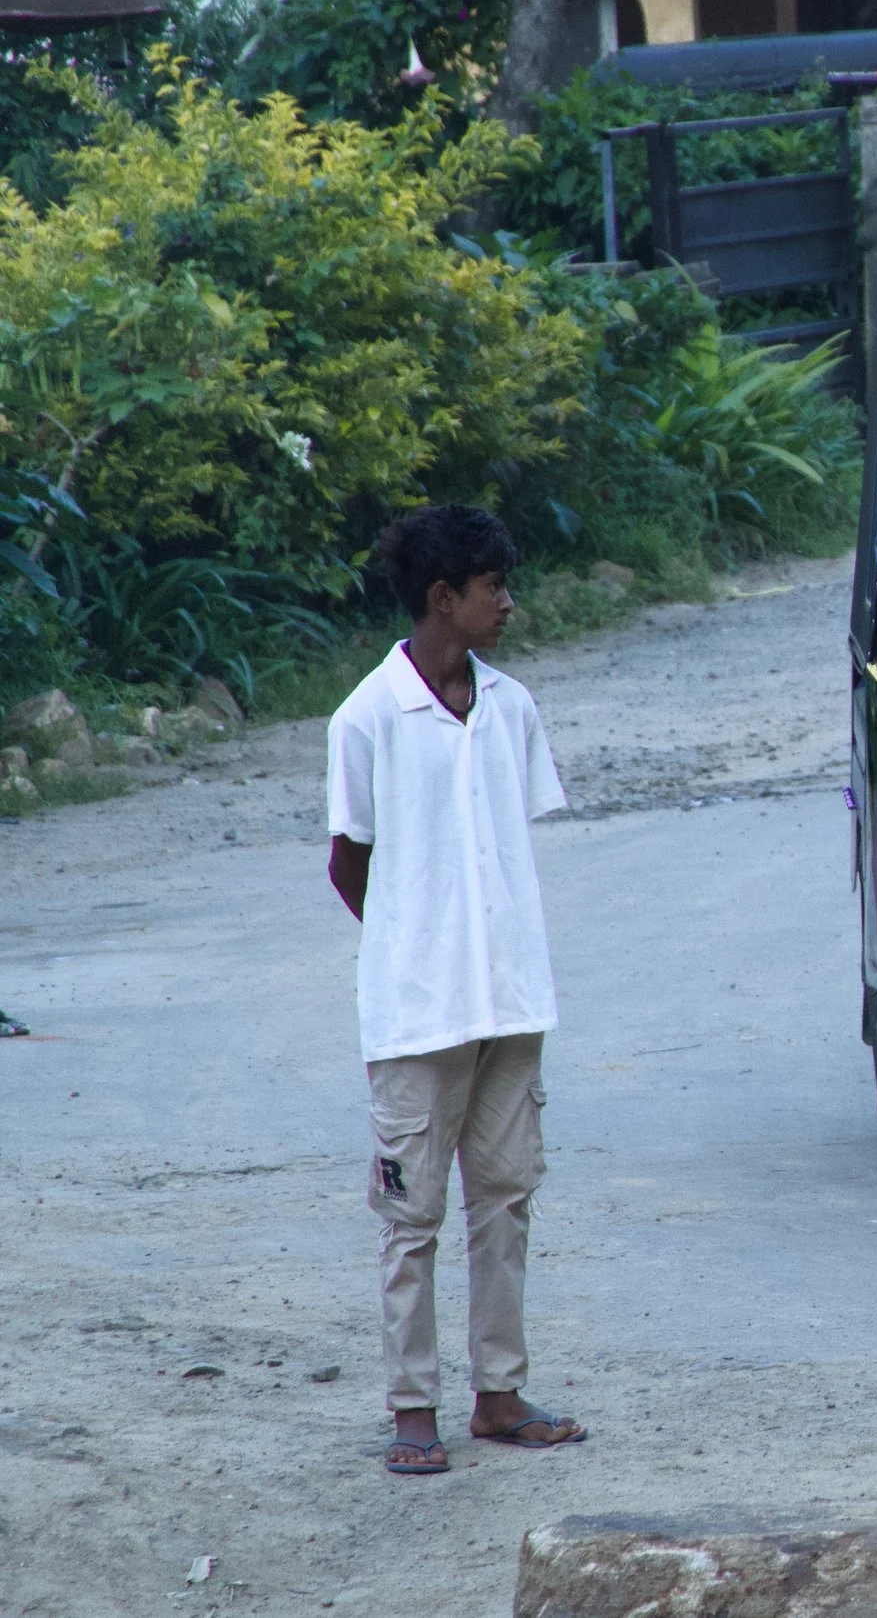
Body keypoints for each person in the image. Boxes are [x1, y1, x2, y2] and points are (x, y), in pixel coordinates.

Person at [325, 505, 587, 1476]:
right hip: (416, 1012)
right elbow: (350, 862)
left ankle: (500, 1391)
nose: (508, 603)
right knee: (410, 1212)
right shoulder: (366, 716)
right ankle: (411, 1404)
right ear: (446, 598)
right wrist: (410, 944)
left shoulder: (511, 707)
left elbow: (498, 848)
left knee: (507, 1196)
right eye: (494, 588)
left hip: (512, 1002)